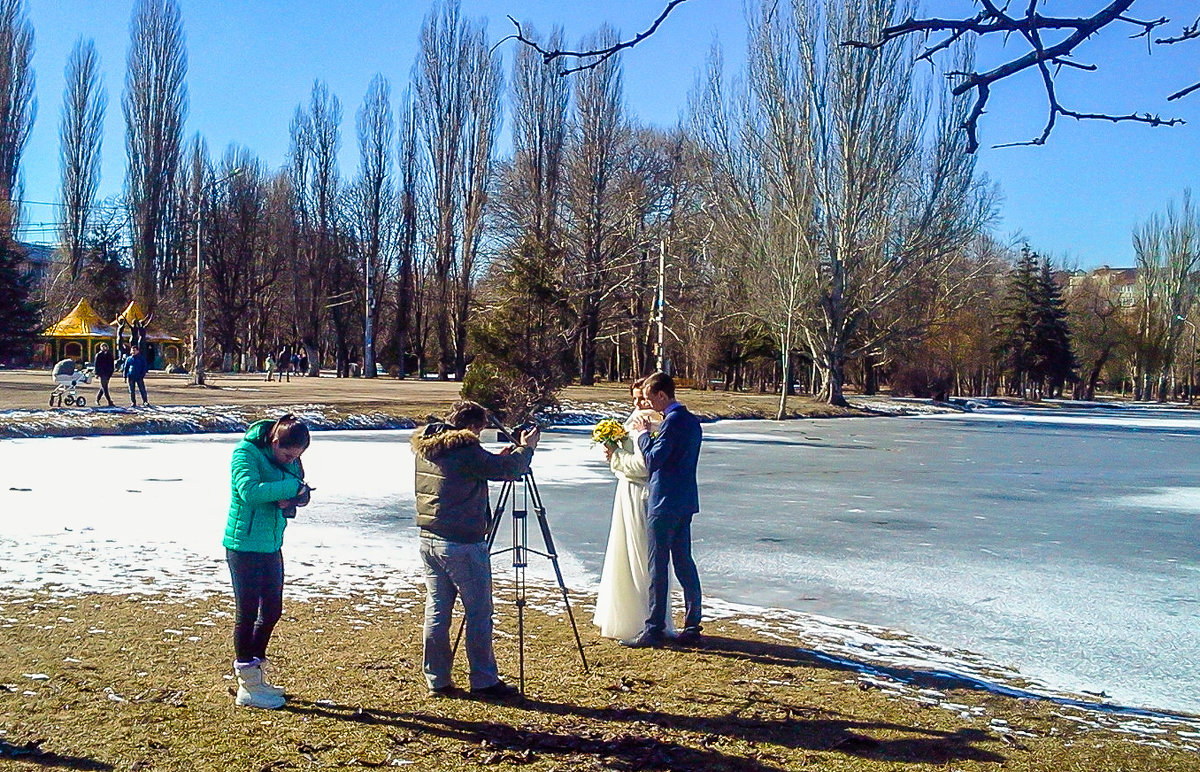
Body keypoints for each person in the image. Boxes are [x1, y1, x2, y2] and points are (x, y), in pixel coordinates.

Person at [410, 400, 539, 699]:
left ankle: (437, 679)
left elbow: (476, 468)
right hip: (462, 542)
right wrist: (526, 449)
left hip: (429, 536)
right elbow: (508, 468)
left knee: (438, 609)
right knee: (479, 612)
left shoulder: (430, 445)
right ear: (473, 427)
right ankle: (484, 680)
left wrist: (494, 460)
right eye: (480, 430)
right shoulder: (466, 449)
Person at [222, 414, 313, 709]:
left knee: (272, 610)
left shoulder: (291, 457)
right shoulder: (245, 453)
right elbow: (249, 492)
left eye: (296, 456)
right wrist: (292, 490)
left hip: (272, 542)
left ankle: (256, 675)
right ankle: (246, 686)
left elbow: (300, 486)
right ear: (275, 441)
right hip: (244, 544)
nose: (291, 460)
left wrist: (299, 497)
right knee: (247, 612)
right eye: (287, 454)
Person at [621, 372, 704, 648]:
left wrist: (644, 435)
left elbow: (654, 460)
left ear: (662, 395)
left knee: (658, 565)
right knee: (684, 562)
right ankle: (693, 625)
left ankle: (654, 628)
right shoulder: (692, 422)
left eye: (650, 397)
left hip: (664, 502)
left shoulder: (672, 422)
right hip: (685, 501)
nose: (648, 404)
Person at [593, 379, 676, 640]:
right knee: (623, 551)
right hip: (625, 491)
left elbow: (643, 465)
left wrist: (616, 457)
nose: (639, 404)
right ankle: (621, 614)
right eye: (635, 399)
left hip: (642, 493)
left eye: (642, 398)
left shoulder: (654, 423)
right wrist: (613, 451)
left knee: (641, 554)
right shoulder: (636, 419)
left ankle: (646, 618)